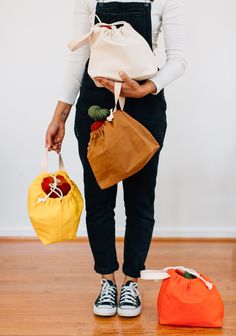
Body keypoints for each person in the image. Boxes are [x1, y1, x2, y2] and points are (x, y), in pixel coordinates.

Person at [45, 0, 186, 318]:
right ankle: (107, 280)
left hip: (144, 106)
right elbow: (79, 56)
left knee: (140, 203)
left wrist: (147, 88)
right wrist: (60, 116)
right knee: (99, 200)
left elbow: (179, 60)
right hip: (96, 105)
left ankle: (131, 281)